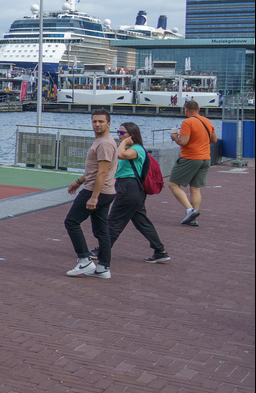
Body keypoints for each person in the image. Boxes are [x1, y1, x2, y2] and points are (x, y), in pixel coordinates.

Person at [101, 122, 170, 265]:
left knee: (114, 220)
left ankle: (102, 250)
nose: (118, 135)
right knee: (142, 222)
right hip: (131, 189)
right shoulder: (131, 148)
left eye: (121, 133)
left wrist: (125, 142)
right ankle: (160, 251)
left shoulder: (137, 149)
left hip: (129, 187)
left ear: (131, 135)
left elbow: (120, 154)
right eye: (118, 132)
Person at [64, 109, 117, 279]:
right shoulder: (102, 141)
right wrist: (79, 181)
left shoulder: (104, 144)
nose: (97, 124)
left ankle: (84, 260)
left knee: (71, 222)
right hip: (104, 191)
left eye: (101, 121)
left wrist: (94, 197)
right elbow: (95, 170)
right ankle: (103, 268)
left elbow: (102, 173)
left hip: (96, 191)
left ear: (109, 124)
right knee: (102, 230)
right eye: (94, 121)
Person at [168, 100, 215, 226]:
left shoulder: (187, 122)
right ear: (199, 109)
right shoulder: (207, 121)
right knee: (195, 188)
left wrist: (174, 137)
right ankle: (193, 219)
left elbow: (183, 141)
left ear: (186, 110)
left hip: (191, 157)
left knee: (173, 184)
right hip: (206, 158)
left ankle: (190, 210)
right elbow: (214, 139)